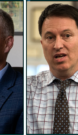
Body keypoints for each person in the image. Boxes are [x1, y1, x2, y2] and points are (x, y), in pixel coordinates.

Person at [27, 4, 78, 134]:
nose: (57, 45)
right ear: (42, 44)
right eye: (50, 37)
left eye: (66, 35)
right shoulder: (26, 89)